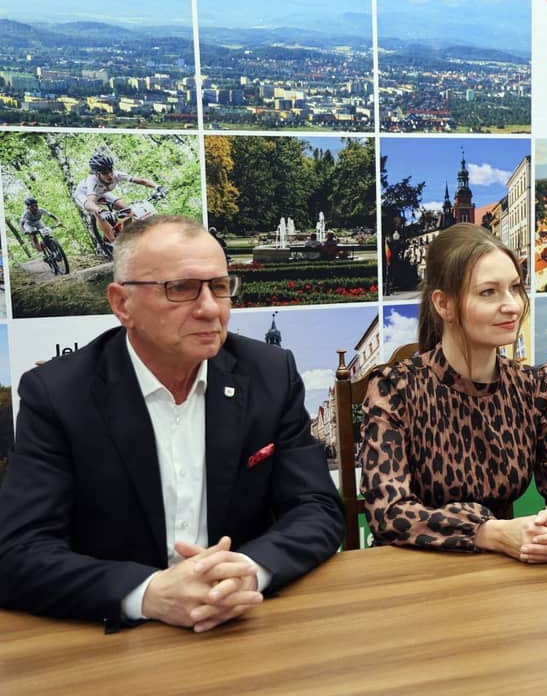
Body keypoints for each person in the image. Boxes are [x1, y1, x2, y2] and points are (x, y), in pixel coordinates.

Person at [0, 215, 343, 631]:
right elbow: (18, 550)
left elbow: (317, 507)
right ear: (122, 303)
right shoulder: (58, 393)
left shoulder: (270, 373)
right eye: (180, 288)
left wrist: (250, 569)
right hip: (115, 639)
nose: (210, 308)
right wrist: (148, 593)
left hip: (242, 621)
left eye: (220, 287)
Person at [360, 223, 547, 563]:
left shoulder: (534, 386)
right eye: (489, 292)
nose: (512, 305)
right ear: (444, 304)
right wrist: (489, 533)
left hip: (506, 569)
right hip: (416, 571)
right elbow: (389, 513)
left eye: (515, 288)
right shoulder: (395, 388)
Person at [73, 153, 160, 243]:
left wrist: (157, 187)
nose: (109, 175)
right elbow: (90, 202)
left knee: (128, 211)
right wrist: (101, 210)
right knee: (97, 213)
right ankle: (114, 242)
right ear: (97, 174)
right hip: (84, 195)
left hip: (102, 192)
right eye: (105, 173)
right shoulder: (92, 181)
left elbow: (141, 181)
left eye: (110, 170)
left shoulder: (117, 175)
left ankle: (125, 237)